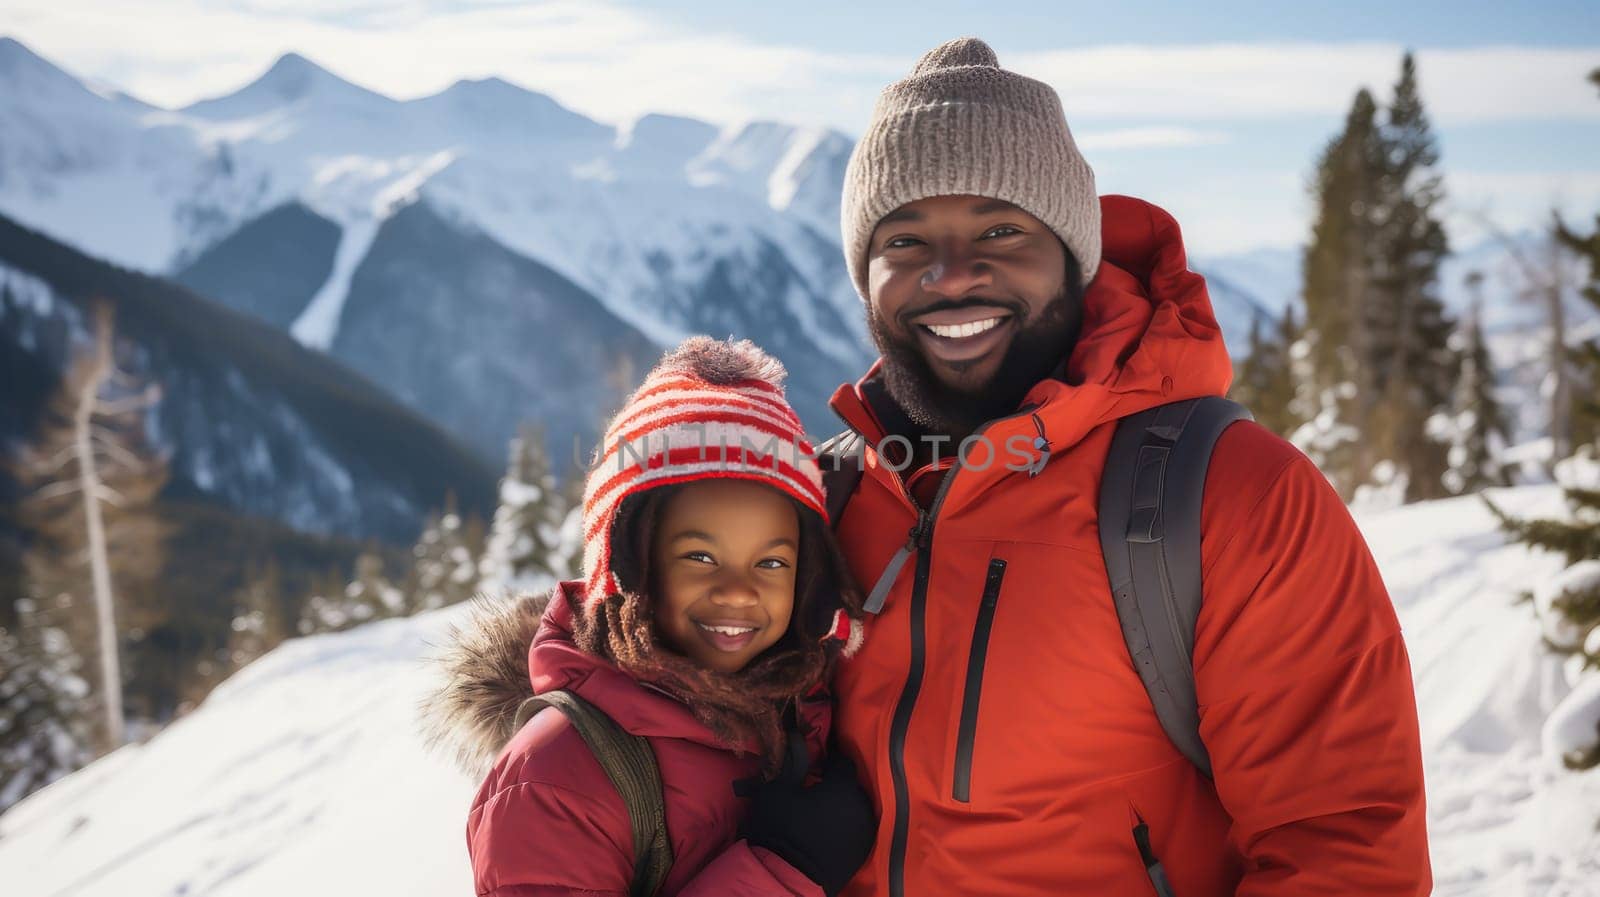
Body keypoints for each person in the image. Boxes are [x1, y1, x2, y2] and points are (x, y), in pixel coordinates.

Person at [754, 37, 1431, 896]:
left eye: (1002, 229)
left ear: (1075, 257)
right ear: (864, 275)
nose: (953, 274)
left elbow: (1346, 849)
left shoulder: (1227, 494)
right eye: (906, 238)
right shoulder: (814, 498)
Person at [448, 337, 877, 896]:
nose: (739, 591)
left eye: (771, 562)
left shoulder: (804, 714)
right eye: (700, 556)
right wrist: (780, 872)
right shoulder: (555, 777)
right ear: (624, 568)